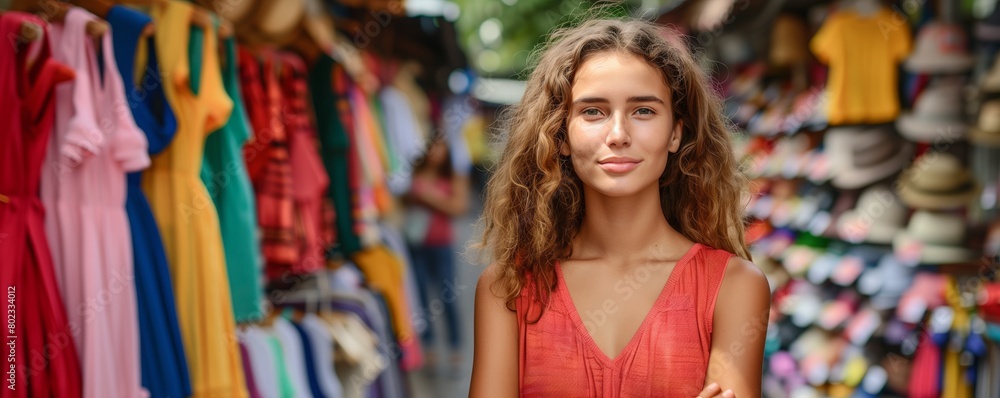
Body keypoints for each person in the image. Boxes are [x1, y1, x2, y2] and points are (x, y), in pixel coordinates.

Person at [470, 19, 771, 397]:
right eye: (593, 112)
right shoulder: (508, 289)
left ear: (676, 132)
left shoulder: (735, 287)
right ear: (559, 135)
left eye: (643, 111)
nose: (618, 135)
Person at [404, 135, 470, 375]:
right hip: (416, 244)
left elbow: (458, 207)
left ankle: (455, 349)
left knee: (448, 298)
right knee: (420, 297)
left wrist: (427, 195)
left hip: (442, 244)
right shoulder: (415, 173)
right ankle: (429, 348)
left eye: (441, 148)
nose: (435, 153)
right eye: (432, 148)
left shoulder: (453, 177)